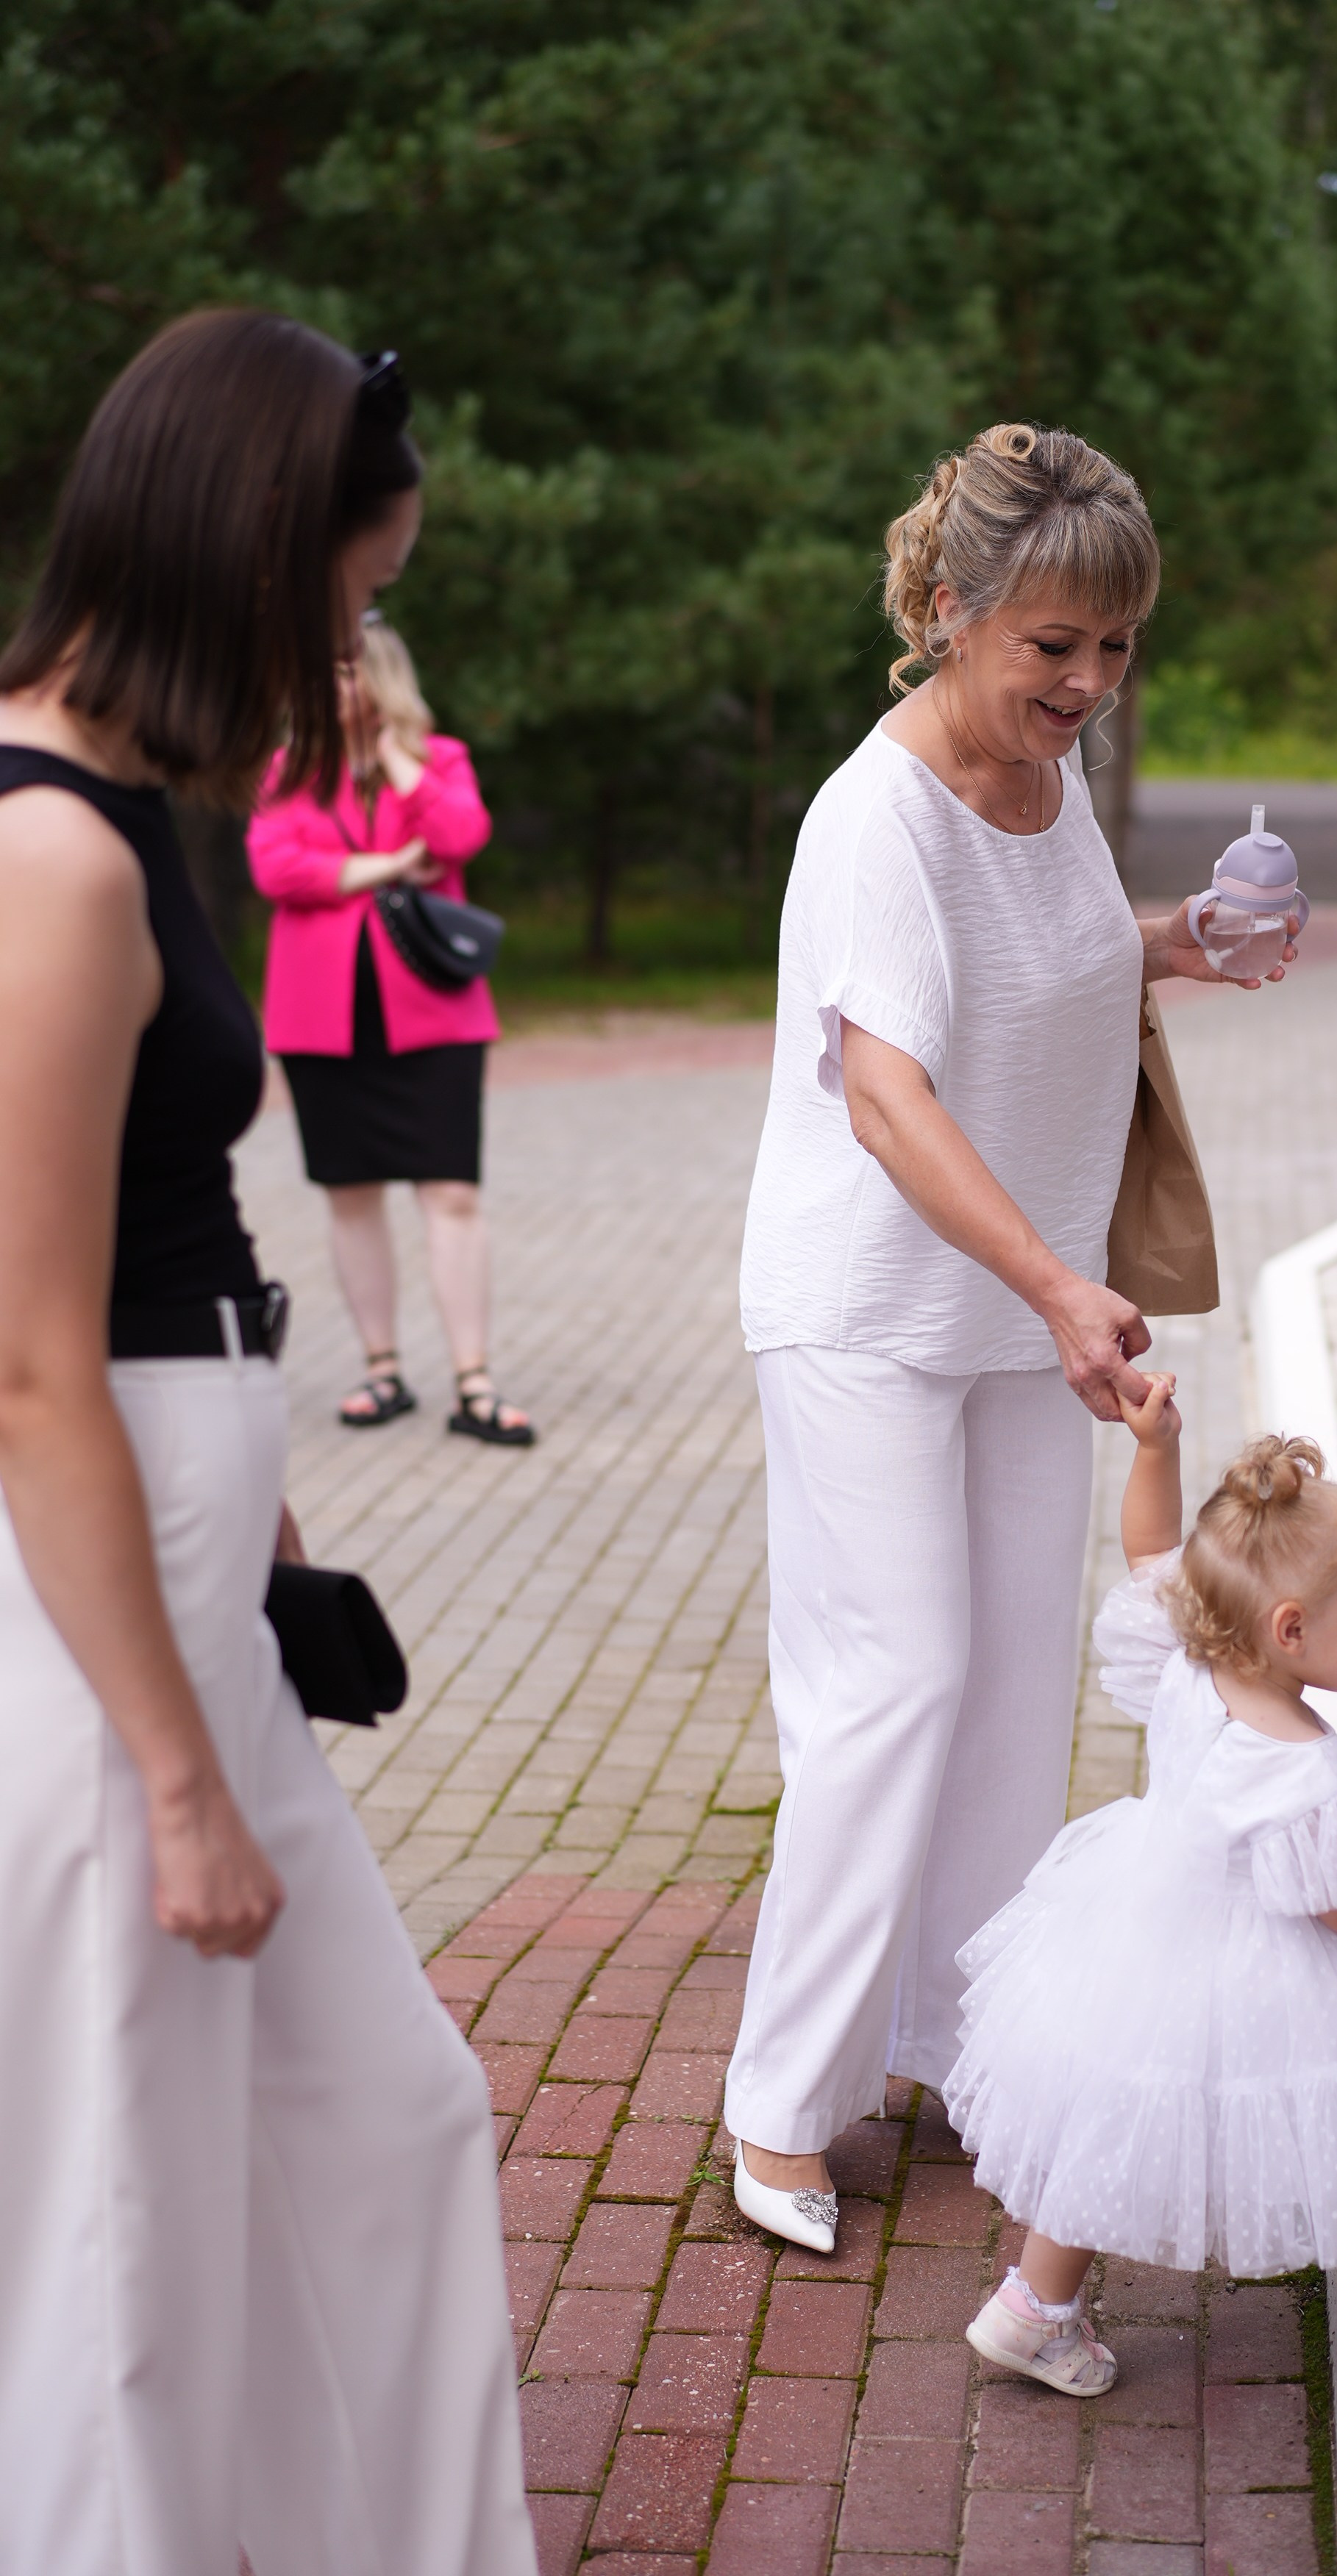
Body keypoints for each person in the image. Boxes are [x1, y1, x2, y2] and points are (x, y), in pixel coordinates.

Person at [0, 312, 535, 2576]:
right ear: (243, 559)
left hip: (193, 1590)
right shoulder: (53, 859)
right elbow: (26, 1356)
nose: (345, 657)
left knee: (386, 2123)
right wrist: (185, 1778)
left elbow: (165, 1221)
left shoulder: (130, 816)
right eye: (337, 602)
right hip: (111, 1648)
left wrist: (269, 1505)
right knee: (126, 2229)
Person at [725, 421, 1291, 2252]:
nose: (1086, 683)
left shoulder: (1043, 796)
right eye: (1052, 645)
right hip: (873, 1316)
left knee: (1001, 1696)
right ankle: (780, 2105)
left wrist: (1180, 938)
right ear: (951, 612)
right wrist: (1056, 1285)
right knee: (887, 1688)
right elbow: (881, 1087)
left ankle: (955, 2043)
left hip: (1020, 1313)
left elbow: (1036, 961)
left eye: (1114, 647)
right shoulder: (871, 813)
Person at [948, 1396, 1337, 2395]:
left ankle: (1034, 2305)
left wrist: (1157, 1451)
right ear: (1291, 1629)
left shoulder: (1193, 1658)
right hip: (1266, 1961)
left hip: (1142, 1934)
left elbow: (1155, 1548)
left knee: (1110, 2111)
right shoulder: (1307, 1767)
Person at [247, 614, 533, 1444]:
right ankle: (382, 1370)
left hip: (433, 1013)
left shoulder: (438, 759)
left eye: (345, 671)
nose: (331, 686)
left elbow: (459, 835)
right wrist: (380, 868)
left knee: (451, 1192)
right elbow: (274, 867)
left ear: (379, 675)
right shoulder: (286, 771)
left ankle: (473, 1382)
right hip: (321, 1017)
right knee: (351, 1194)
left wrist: (400, 761)